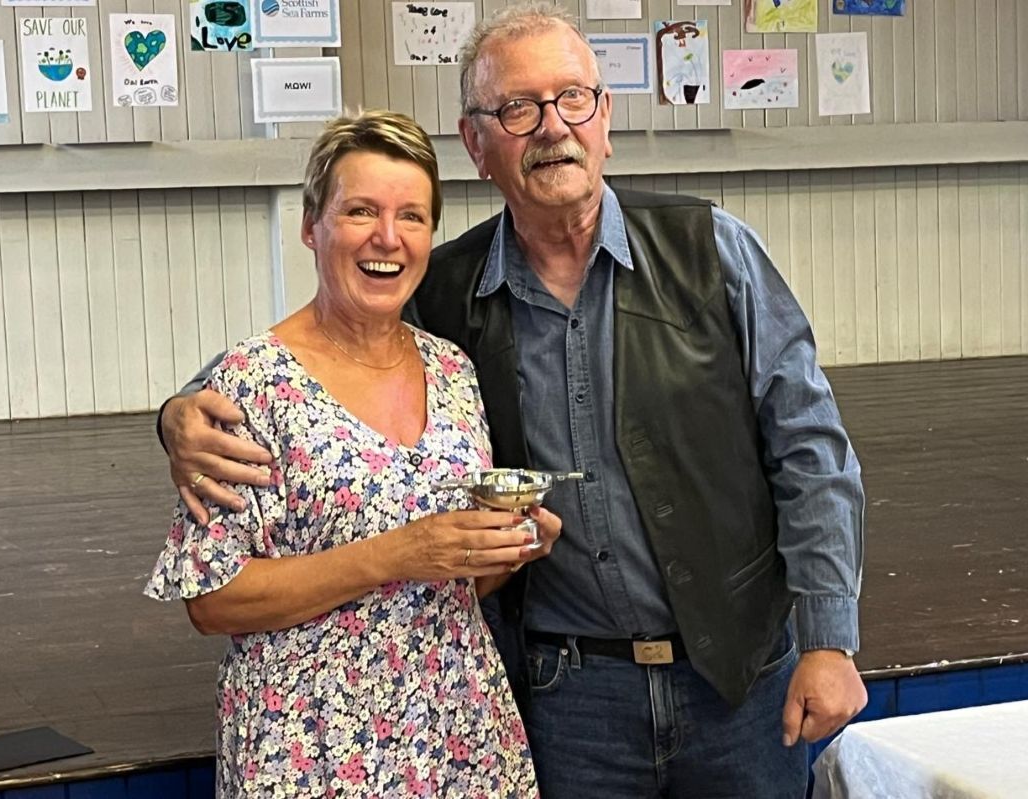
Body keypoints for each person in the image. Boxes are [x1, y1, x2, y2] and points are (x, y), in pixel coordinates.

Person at [158, 5, 868, 797]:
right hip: (569, 700)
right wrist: (178, 410)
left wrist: (829, 639)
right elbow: (301, 355)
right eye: (518, 109)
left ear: (605, 118)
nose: (551, 128)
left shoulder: (714, 250)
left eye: (573, 99)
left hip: (737, 683)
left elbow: (809, 445)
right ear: (477, 144)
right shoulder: (448, 291)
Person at [146, 109, 556, 798]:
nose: (388, 238)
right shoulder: (253, 383)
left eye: (413, 216)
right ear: (312, 225)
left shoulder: (452, 369)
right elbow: (212, 599)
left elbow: (448, 579)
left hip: (459, 732)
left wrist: (500, 551)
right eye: (360, 210)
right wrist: (397, 553)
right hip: (311, 747)